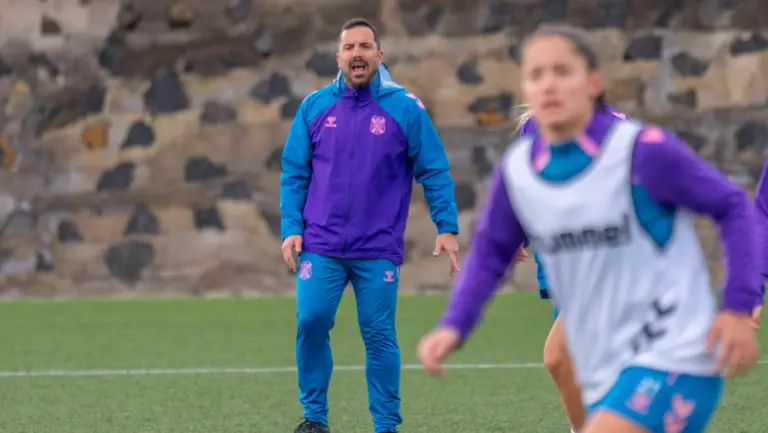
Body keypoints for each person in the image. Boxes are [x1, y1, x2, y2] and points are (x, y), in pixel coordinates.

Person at [417, 23, 762, 433]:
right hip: (609, 364)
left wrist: (740, 305)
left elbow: (733, 205)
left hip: (677, 352)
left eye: (563, 72)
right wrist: (454, 326)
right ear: (525, 92)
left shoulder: (641, 151)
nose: (549, 85)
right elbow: (491, 255)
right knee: (561, 361)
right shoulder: (519, 172)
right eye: (537, 75)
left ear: (594, 83)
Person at [280, 17, 460, 433]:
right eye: (349, 48)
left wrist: (446, 225)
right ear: (339, 57)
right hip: (321, 243)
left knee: (378, 334)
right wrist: (292, 225)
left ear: (380, 56)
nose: (357, 54)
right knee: (311, 321)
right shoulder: (314, 107)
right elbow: (295, 172)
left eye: (365, 47)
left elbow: (433, 170)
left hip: (377, 246)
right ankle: (315, 420)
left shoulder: (405, 108)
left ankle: (385, 425)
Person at [519, 105, 628, 433]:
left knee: (563, 359)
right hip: (559, 263)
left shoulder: (618, 129)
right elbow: (531, 186)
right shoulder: (533, 126)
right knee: (576, 366)